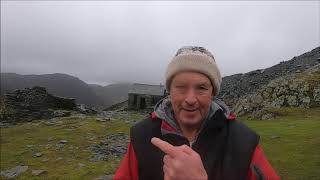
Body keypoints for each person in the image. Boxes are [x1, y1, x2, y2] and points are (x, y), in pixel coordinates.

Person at [114, 46, 280, 180]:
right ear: (169, 91)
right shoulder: (143, 136)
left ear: (212, 92)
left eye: (201, 88)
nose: (191, 99)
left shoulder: (242, 142)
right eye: (181, 87)